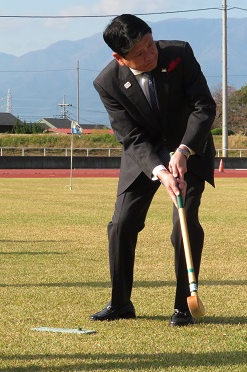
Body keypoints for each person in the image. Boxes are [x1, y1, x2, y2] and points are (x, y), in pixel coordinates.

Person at [90, 14, 216, 326]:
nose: (151, 55)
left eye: (151, 45)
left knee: (183, 223)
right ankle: (120, 302)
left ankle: (184, 305)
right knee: (121, 224)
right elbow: (129, 136)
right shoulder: (107, 83)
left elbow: (204, 107)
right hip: (144, 155)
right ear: (119, 58)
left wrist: (184, 150)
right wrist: (160, 170)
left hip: (189, 147)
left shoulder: (179, 53)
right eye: (141, 54)